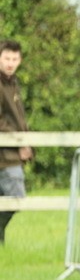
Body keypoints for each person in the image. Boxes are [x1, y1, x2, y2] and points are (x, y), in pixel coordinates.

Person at [0, 39, 31, 246]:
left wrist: (28, 142)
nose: (10, 63)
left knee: (7, 199)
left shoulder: (13, 83)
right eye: (6, 58)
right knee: (16, 197)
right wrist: (19, 142)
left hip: (11, 153)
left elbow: (18, 118)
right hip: (6, 155)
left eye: (14, 58)